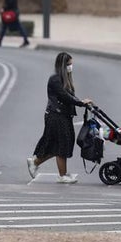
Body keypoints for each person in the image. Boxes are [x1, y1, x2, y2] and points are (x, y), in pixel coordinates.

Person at [26, 52, 92, 184]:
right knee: (62, 144)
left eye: (71, 64)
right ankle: (61, 175)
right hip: (56, 116)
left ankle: (35, 162)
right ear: (62, 65)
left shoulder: (65, 79)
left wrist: (82, 102)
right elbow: (64, 96)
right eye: (69, 64)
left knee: (60, 145)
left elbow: (69, 96)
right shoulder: (55, 79)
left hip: (63, 115)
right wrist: (80, 103)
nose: (71, 67)